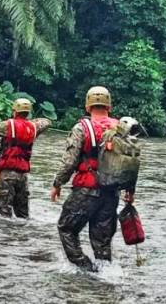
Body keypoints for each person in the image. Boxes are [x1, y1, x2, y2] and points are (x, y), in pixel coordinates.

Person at [49, 86, 134, 271]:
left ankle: (86, 269)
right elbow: (131, 162)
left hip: (86, 190)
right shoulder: (120, 129)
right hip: (112, 193)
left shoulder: (81, 128)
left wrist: (57, 184)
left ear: (88, 107)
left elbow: (69, 162)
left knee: (66, 228)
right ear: (109, 106)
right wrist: (130, 191)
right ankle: (104, 279)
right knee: (102, 242)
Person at [0, 98, 52, 218]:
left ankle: (6, 235)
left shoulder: (8, 126)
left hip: (7, 175)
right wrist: (29, 123)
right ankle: (22, 235)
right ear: (28, 112)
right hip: (23, 176)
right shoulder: (34, 127)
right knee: (23, 214)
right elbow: (47, 122)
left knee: (5, 213)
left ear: (14, 111)